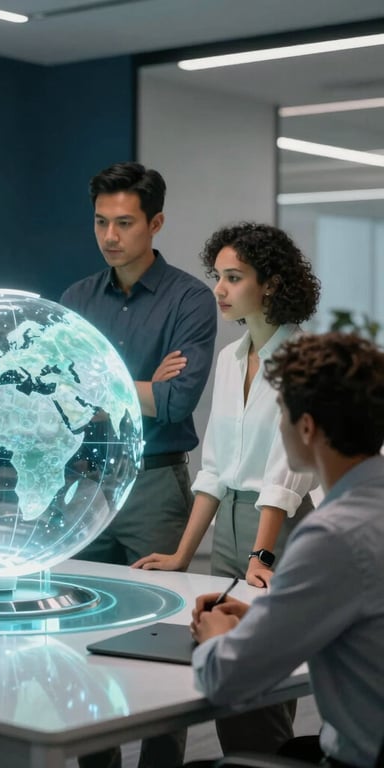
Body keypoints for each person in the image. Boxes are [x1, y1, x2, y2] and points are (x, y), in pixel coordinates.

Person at [134, 222, 321, 755]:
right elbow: (213, 469)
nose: (218, 289)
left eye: (233, 278)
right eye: (217, 276)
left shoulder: (299, 359)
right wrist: (181, 555)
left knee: (264, 695)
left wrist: (262, 552)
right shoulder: (228, 358)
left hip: (282, 529)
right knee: (231, 694)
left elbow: (287, 475)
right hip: (232, 528)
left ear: (271, 284)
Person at [60, 161, 217, 768]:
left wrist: (97, 383)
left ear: (155, 223)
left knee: (167, 638)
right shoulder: (75, 299)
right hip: (83, 484)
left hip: (155, 484)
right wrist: (139, 385)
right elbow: (56, 398)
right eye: (101, 222)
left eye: (124, 223)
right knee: (78, 632)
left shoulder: (190, 299)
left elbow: (177, 401)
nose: (110, 236)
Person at [191, 332, 384, 768]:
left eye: (280, 413)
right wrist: (269, 616)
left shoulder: (332, 537)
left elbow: (227, 680)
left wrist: (213, 638)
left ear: (307, 427)